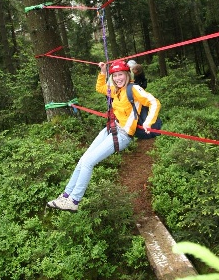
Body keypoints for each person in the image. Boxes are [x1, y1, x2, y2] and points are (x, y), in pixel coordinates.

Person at [47, 60, 161, 213]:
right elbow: (100, 88)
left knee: (88, 162)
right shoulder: (116, 90)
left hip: (123, 135)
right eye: (114, 76)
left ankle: (74, 201)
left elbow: (154, 102)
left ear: (127, 74)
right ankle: (65, 195)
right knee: (82, 160)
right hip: (112, 127)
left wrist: (148, 122)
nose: (117, 78)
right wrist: (102, 72)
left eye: (120, 75)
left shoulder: (133, 89)